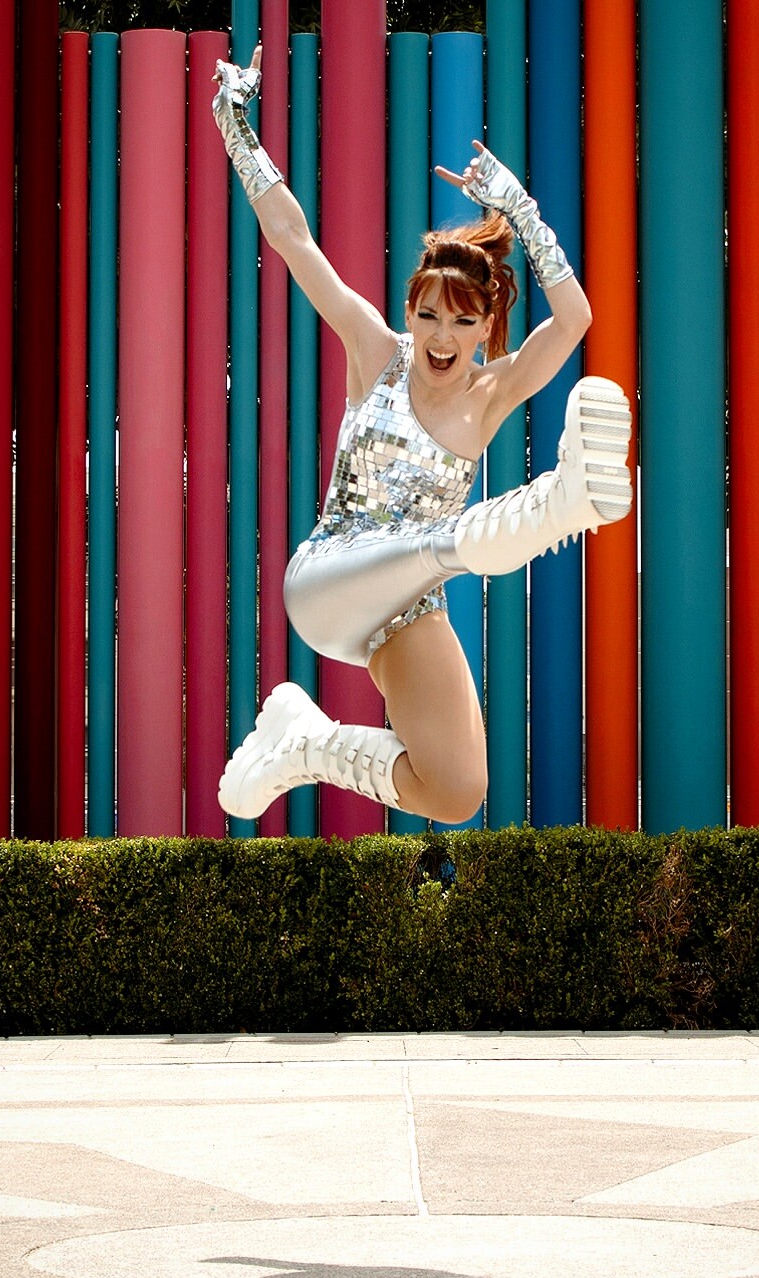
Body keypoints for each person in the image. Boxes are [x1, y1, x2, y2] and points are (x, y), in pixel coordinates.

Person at [212, 47, 632, 826]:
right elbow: (294, 238)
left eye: (462, 320)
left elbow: (575, 320)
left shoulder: (492, 393)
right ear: (408, 311)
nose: (441, 335)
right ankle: (553, 506)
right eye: (428, 314)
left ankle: (308, 744)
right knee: (442, 545)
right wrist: (236, 127)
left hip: (407, 606)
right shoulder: (376, 352)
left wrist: (522, 212)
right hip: (328, 577)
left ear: (485, 328)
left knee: (457, 789)